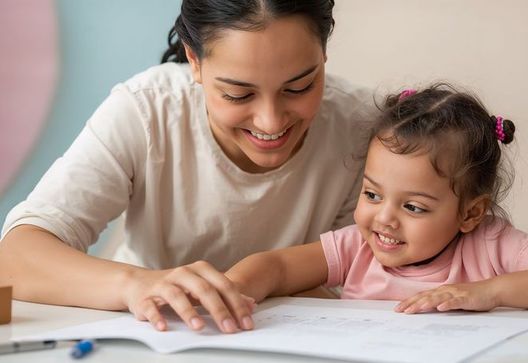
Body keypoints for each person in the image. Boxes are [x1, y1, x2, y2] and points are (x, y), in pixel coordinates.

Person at [0, 0, 374, 334]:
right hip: (153, 337)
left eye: (300, 87)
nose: (271, 122)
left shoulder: (363, 129)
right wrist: (136, 285)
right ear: (194, 62)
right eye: (237, 94)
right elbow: (16, 256)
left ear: (324, 53)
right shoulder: (148, 111)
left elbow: (378, 274)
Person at [224, 84, 528, 318]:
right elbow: (274, 266)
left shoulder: (488, 244)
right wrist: (234, 288)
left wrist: (488, 291)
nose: (384, 219)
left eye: (414, 207)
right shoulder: (358, 247)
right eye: (372, 194)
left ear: (471, 213)